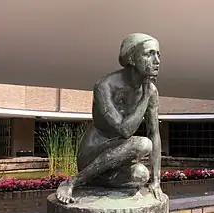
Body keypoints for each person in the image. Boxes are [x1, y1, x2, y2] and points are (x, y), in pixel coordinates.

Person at [57, 33, 164, 203]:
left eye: (158, 54)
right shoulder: (105, 86)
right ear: (132, 59)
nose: (156, 60)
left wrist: (156, 181)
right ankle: (73, 181)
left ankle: (97, 182)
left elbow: (154, 133)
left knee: (141, 174)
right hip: (93, 154)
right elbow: (125, 130)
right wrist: (145, 96)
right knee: (143, 144)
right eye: (149, 54)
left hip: (117, 162)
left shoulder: (151, 91)